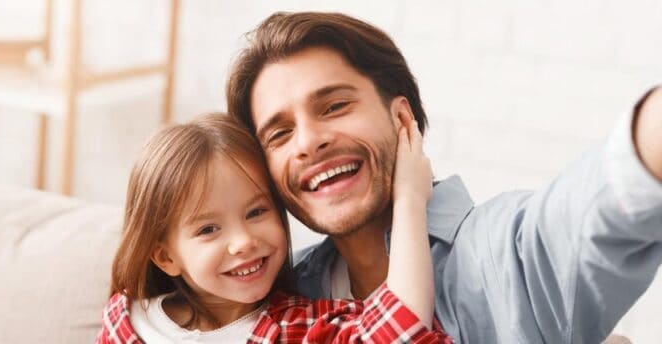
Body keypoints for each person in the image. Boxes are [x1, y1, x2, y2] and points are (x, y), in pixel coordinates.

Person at [225, 11, 662, 343]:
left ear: (402, 118)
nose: (308, 142)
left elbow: (600, 197)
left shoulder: (499, 256)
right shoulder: (276, 294)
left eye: (335, 106)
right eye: (280, 133)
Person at [97, 113, 451, 343]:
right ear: (166, 256)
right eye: (208, 230)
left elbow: (401, 331)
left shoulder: (301, 329)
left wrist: (408, 200)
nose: (243, 242)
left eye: (255, 212)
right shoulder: (126, 321)